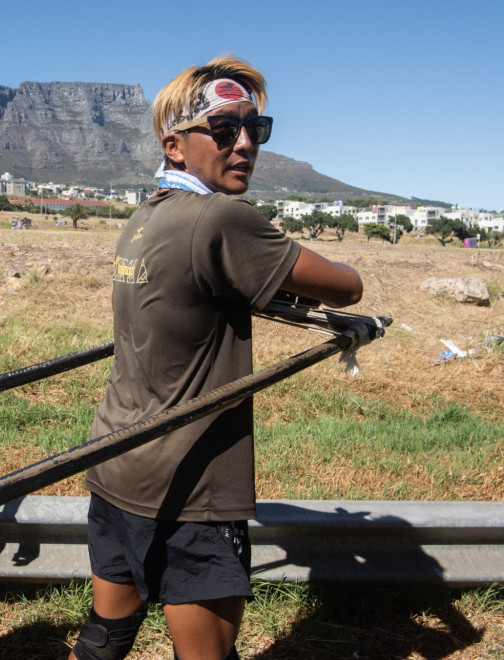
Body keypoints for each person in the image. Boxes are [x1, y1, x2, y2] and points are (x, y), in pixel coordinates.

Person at [67, 56, 363, 660]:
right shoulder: (222, 217)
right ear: (174, 146)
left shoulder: (146, 216)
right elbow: (347, 287)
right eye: (225, 130)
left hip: (117, 460)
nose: (245, 144)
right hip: (189, 483)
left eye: (256, 128)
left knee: (104, 639)